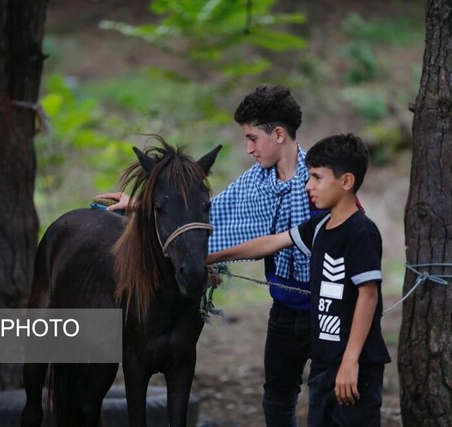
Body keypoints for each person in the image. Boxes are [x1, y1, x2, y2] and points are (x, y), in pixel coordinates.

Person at [98, 85, 315, 426]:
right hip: (284, 310)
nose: (248, 149)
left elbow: (283, 240)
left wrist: (210, 259)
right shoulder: (256, 182)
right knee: (277, 398)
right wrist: (144, 206)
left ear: (278, 133)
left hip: (324, 308)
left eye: (252, 138)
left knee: (324, 396)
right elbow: (204, 212)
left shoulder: (318, 178)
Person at [207, 134, 391, 427]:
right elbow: (269, 243)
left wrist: (350, 362)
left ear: (345, 182)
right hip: (323, 360)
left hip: (355, 365)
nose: (308, 186)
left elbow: (368, 297)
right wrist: (212, 256)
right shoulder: (318, 226)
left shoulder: (361, 232)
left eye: (317, 178)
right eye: (309, 177)